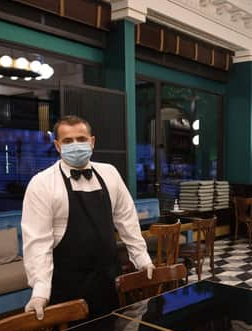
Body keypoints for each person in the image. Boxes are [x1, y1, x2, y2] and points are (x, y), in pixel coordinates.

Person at [22, 115, 154, 320]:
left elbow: (127, 220)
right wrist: (40, 292)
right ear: (57, 146)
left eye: (81, 139)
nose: (76, 145)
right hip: (67, 285)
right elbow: (38, 243)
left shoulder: (110, 173)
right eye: (68, 141)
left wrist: (142, 259)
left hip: (110, 280)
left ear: (92, 141)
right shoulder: (41, 184)